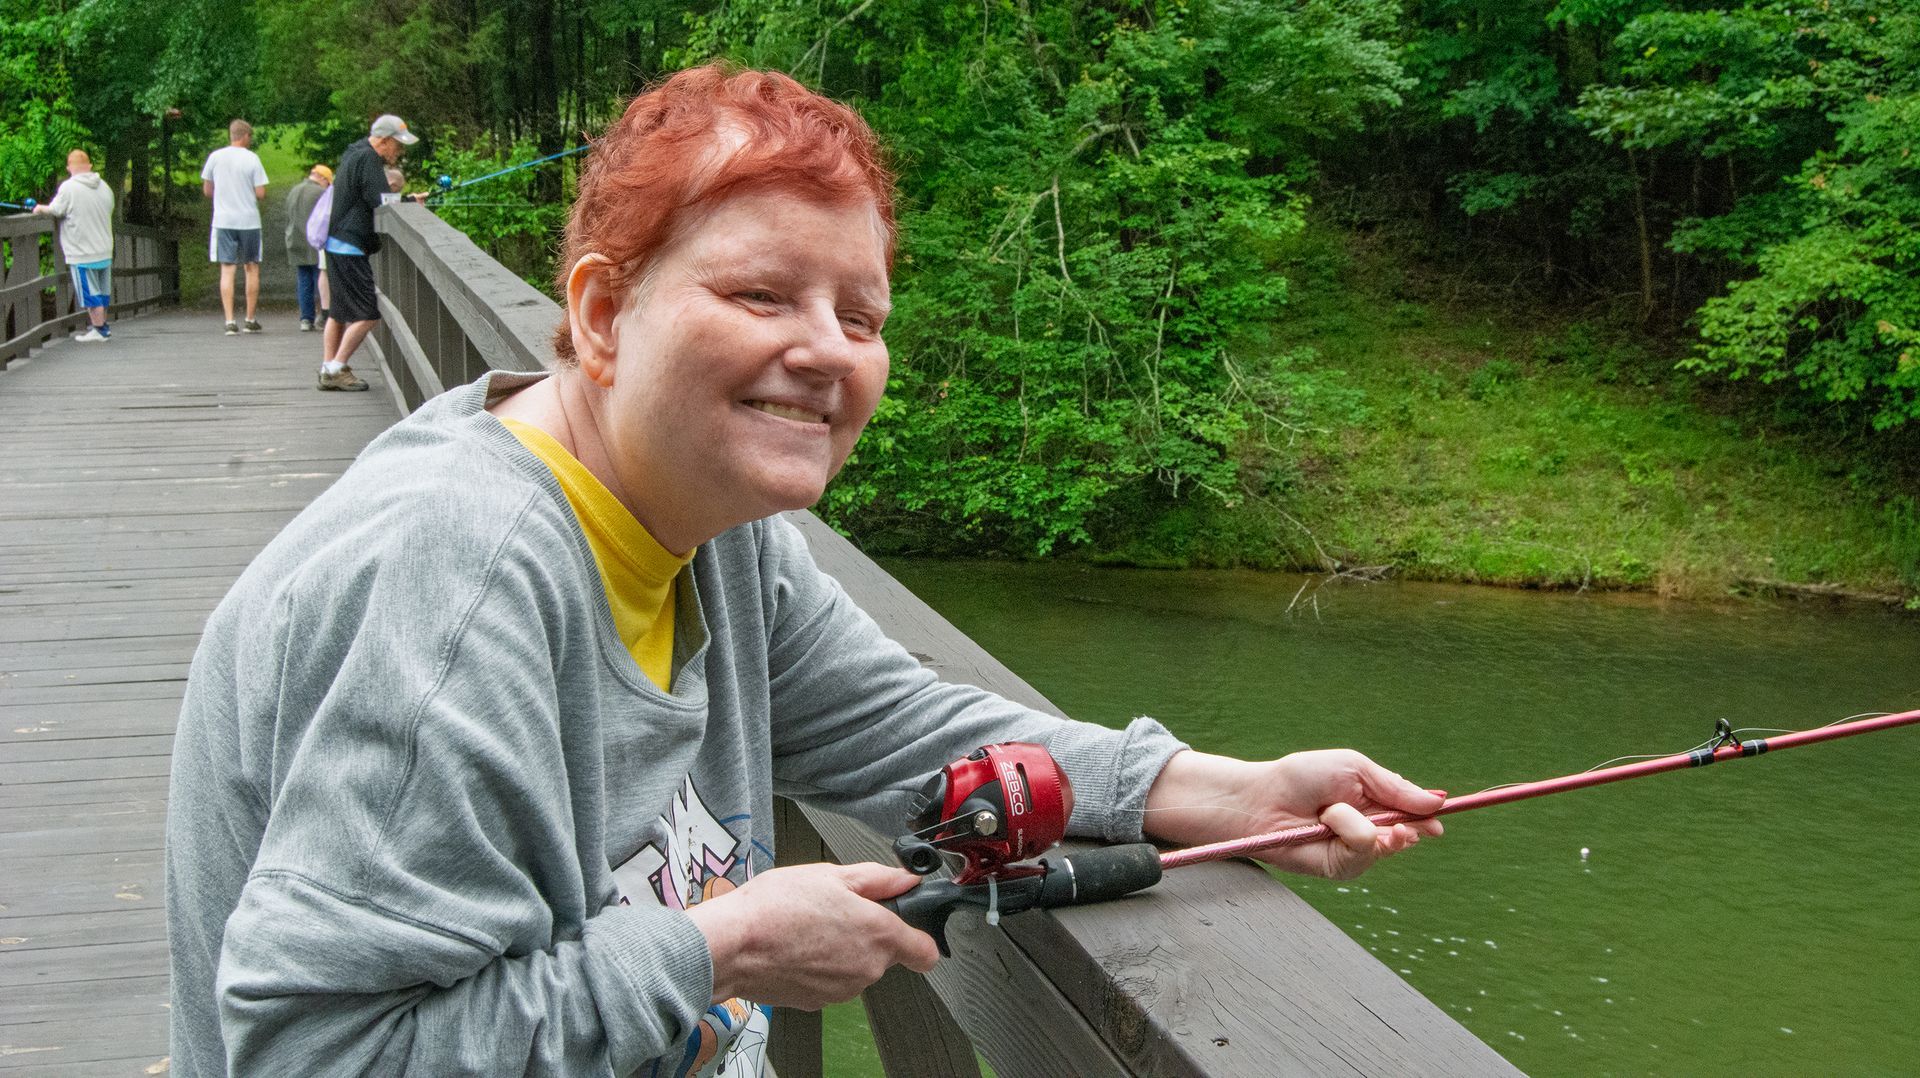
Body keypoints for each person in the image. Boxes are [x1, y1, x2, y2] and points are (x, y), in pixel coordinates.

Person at [165, 66, 1443, 1077]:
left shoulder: (705, 531)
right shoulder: (460, 584)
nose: (828, 351)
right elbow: (320, 1052)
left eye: (863, 315)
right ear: (604, 316)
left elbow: (914, 729)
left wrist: (1229, 789)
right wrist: (722, 945)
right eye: (765, 293)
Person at [315, 113, 417, 392]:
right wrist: (409, 201)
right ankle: (336, 368)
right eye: (398, 144)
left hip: (337, 243)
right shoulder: (369, 159)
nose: (400, 150)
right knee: (368, 313)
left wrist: (408, 200)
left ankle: (328, 367)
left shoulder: (354, 152)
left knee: (337, 312)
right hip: (349, 246)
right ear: (384, 141)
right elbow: (381, 201)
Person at [34, 148, 116, 343]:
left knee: (89, 293)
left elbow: (56, 209)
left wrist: (39, 208)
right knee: (102, 291)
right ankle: (103, 326)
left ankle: (99, 330)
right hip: (104, 248)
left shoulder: (68, 188)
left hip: (82, 251)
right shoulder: (104, 186)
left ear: (69, 168)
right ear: (89, 166)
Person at [201, 119, 269, 335]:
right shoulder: (252, 159)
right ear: (245, 136)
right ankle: (250, 318)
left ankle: (230, 321)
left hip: (223, 220)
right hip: (248, 221)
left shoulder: (215, 157)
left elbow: (207, 191)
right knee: (251, 268)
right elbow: (261, 193)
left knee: (227, 269)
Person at [283, 163, 330, 331]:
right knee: (320, 278)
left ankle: (305, 319)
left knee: (303, 279)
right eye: (328, 183)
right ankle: (323, 315)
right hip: (314, 241)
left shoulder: (294, 190)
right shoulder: (321, 193)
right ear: (323, 179)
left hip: (294, 240)